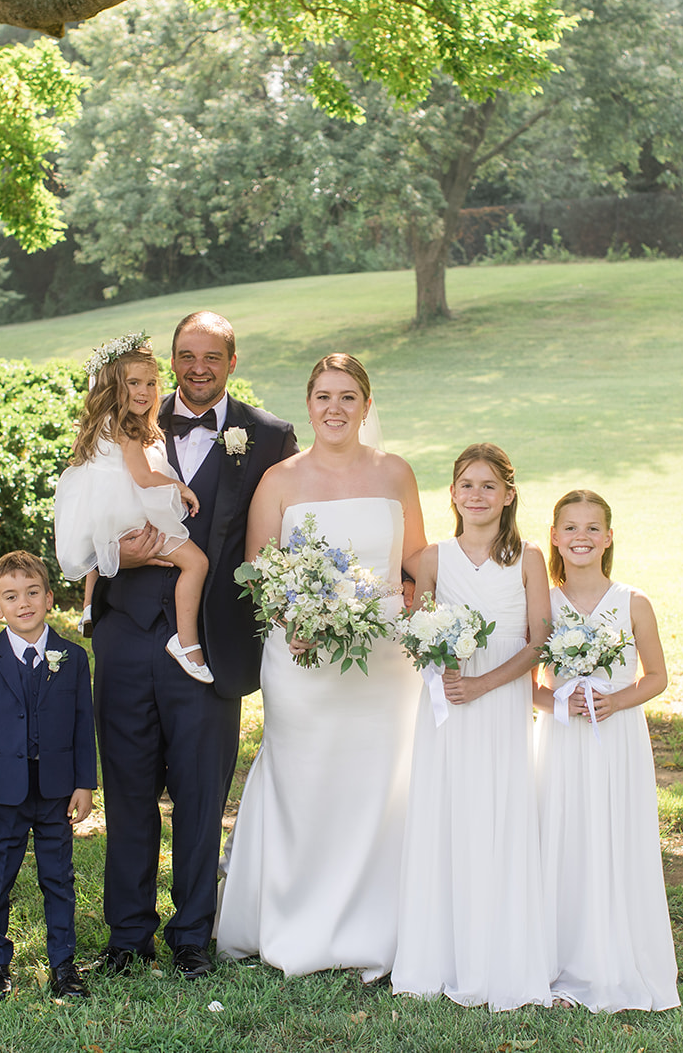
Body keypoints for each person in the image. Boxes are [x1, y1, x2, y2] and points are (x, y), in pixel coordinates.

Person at [91, 311, 298, 980]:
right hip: (123, 631)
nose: (198, 366)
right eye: (186, 354)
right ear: (171, 360)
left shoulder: (269, 436)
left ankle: (191, 936)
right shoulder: (123, 416)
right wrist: (111, 550)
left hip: (209, 645)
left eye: (213, 355)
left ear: (233, 361)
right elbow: (82, 513)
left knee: (202, 795)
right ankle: (127, 937)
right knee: (126, 791)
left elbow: (290, 539)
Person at [216, 352, 426, 980]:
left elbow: (415, 558)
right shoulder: (279, 480)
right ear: (308, 404)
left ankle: (377, 925)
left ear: (367, 404)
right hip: (302, 659)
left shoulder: (396, 474)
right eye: (323, 396)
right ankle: (294, 921)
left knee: (380, 784)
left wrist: (476, 585)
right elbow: (258, 572)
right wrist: (295, 620)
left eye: (348, 397)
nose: (335, 408)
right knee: (305, 782)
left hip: (384, 660)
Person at [391, 444, 555, 1010]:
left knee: (497, 811)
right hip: (447, 705)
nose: (477, 496)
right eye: (466, 485)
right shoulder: (432, 559)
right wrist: (440, 659)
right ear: (453, 493)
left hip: (500, 701)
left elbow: (539, 640)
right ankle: (440, 953)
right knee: (448, 811)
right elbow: (418, 627)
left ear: (509, 494)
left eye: (489, 486)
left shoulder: (529, 557)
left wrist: (487, 684)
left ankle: (498, 952)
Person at [534, 490, 679, 1012]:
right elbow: (525, 681)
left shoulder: (633, 601)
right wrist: (556, 703)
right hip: (561, 740)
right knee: (561, 836)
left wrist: (616, 700)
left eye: (593, 528)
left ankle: (612, 960)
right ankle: (555, 960)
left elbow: (657, 677)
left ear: (609, 537)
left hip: (616, 739)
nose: (581, 537)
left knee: (614, 838)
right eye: (570, 527)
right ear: (554, 536)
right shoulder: (542, 602)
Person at [0, 552, 96, 1000]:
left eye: (33, 592)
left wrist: (84, 783)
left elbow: (82, 724)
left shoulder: (72, 658)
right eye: (11, 596)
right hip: (3, 792)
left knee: (58, 878)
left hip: (56, 789)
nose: (24, 603)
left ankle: (64, 966)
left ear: (49, 598)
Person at [54, 332, 211, 682]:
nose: (145, 391)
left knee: (100, 547)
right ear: (113, 386)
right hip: (132, 517)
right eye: (134, 383)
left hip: (102, 514)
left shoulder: (99, 424)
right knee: (196, 563)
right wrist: (178, 486)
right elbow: (142, 477)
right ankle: (186, 642)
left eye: (152, 383)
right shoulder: (128, 426)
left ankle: (88, 607)